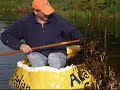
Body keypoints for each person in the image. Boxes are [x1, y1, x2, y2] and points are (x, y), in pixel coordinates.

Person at [1, 0, 83, 69]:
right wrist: (20, 45)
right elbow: (5, 36)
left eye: (49, 11)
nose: (48, 14)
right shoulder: (25, 22)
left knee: (54, 59)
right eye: (45, 12)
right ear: (36, 12)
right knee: (35, 59)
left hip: (58, 52)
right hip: (37, 53)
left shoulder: (57, 19)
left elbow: (72, 31)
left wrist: (80, 38)